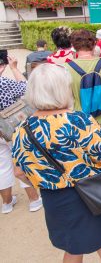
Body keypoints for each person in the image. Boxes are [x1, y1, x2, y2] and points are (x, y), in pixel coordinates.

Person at [11, 64, 101, 260]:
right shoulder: (78, 120)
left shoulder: (21, 129)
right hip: (89, 194)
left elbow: (19, 172)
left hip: (54, 199)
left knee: (74, 247)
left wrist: (46, 181)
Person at [0, 54, 42, 214]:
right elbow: (26, 87)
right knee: (22, 161)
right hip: (10, 128)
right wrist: (14, 68)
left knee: (2, 167)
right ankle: (34, 200)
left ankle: (7, 203)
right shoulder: (4, 82)